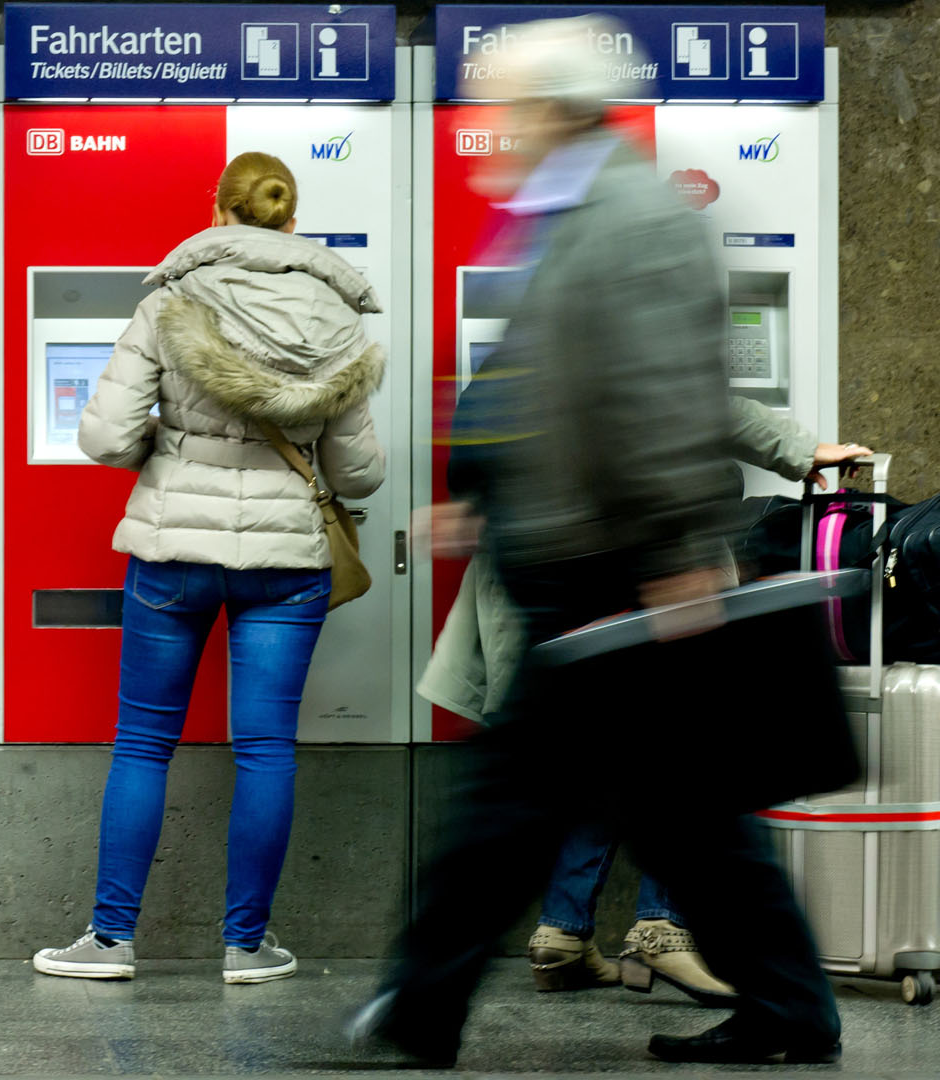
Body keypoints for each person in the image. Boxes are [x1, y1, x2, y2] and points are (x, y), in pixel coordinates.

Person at [349, 18, 844, 1066]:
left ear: (552, 109)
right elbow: (540, 385)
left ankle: (421, 1005)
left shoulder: (628, 218)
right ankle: (791, 1008)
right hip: (580, 558)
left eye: (506, 105)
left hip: (612, 568)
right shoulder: (570, 215)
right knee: (688, 813)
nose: (493, 125)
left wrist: (672, 548)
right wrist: (482, 489)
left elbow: (667, 394)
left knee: (515, 803)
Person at [31, 152, 386, 984]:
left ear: (217, 213)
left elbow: (106, 437)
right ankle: (248, 945)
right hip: (285, 561)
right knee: (265, 749)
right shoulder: (337, 317)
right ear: (292, 222)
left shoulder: (171, 300)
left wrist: (179, 449)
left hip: (173, 550)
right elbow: (362, 473)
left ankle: (111, 942)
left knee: (144, 741)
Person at [421, 403, 870, 1007]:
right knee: (682, 757)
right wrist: (797, 447)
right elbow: (685, 388)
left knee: (587, 754)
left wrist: (473, 495)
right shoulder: (625, 321)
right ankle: (665, 931)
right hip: (640, 561)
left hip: (548, 566)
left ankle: (561, 934)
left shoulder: (538, 332)